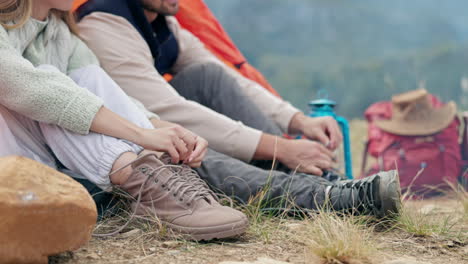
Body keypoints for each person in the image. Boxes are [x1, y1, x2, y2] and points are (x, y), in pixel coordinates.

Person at [75, 0, 402, 217]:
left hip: (150, 125)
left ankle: (320, 179)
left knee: (208, 76)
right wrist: (280, 147)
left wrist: (295, 120)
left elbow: (231, 78)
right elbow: (166, 110)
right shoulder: (102, 22)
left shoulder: (163, 25)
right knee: (184, 147)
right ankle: (327, 198)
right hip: (122, 145)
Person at [0, 0, 249, 241]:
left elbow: (106, 93)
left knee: (90, 75)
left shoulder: (62, 34)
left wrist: (165, 130)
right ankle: (143, 181)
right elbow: (31, 90)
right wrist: (142, 135)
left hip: (58, 167)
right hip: (12, 172)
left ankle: (157, 179)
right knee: (51, 82)